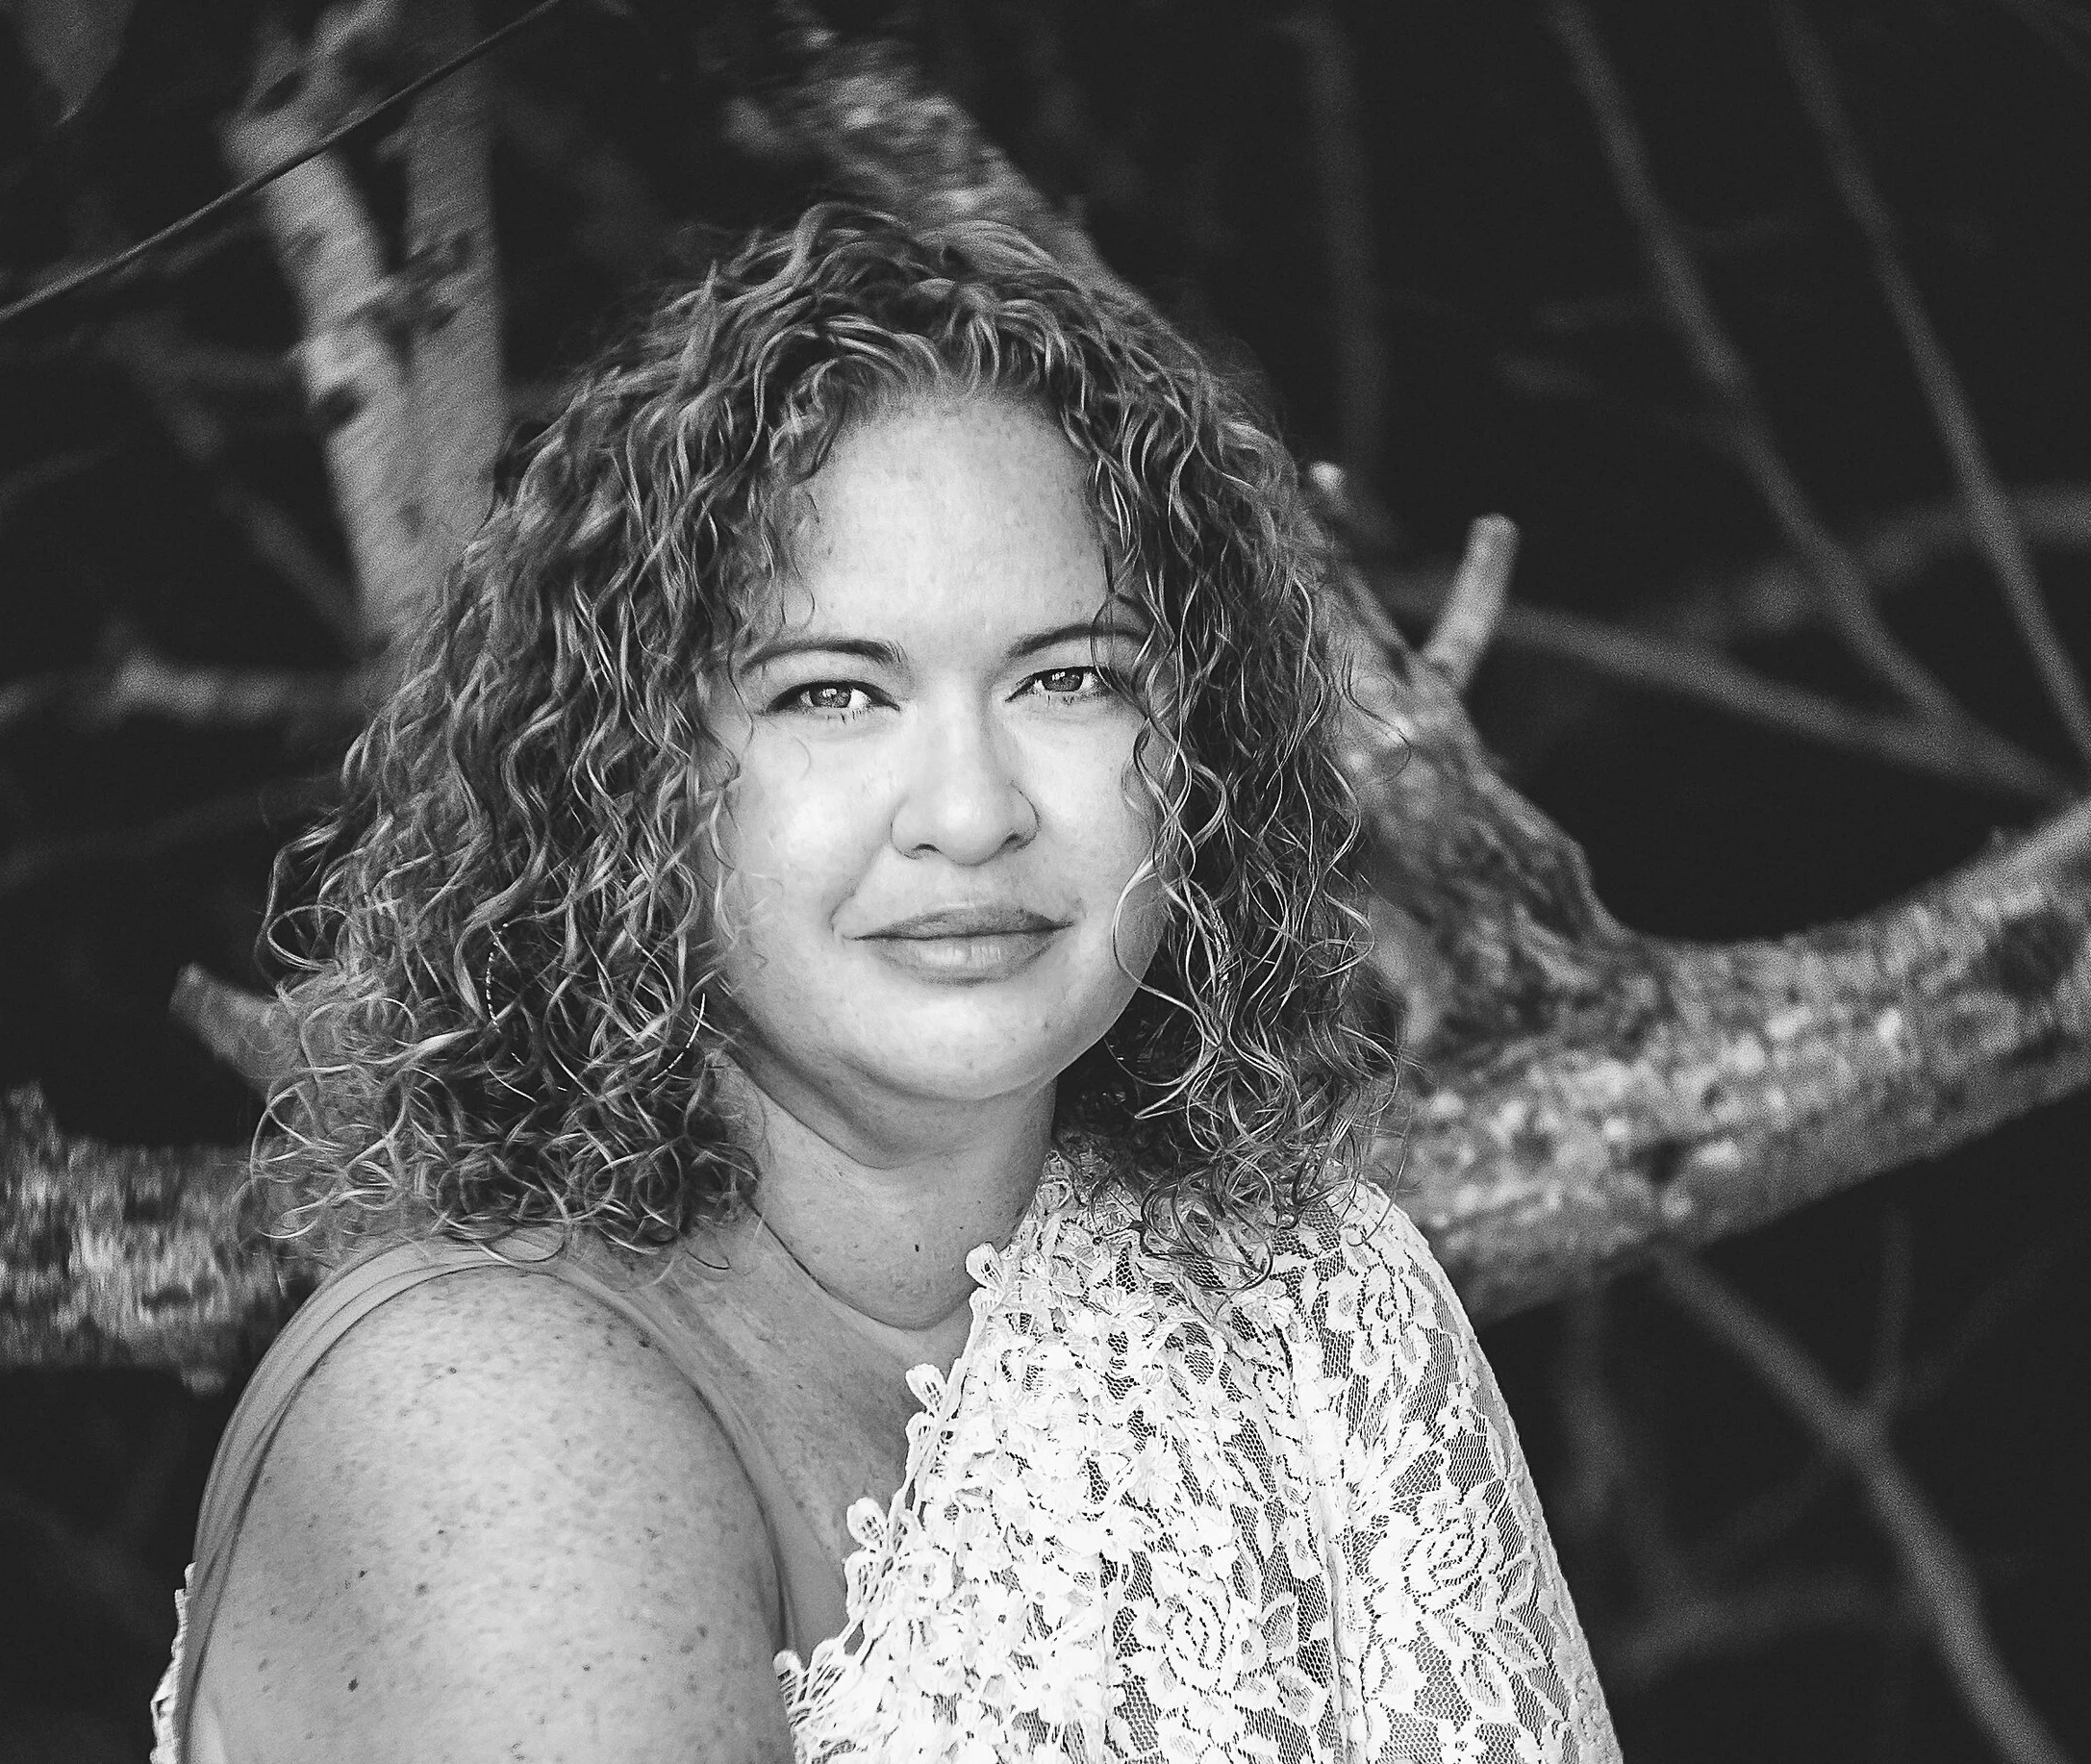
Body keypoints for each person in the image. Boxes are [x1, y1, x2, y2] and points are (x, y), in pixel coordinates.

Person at [150, 203, 1620, 1764]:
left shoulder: (1323, 1301)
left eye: (1072, 677)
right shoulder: (477, 1413)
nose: (973, 809)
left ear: (1202, 753)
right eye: (833, 692)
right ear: (631, 776)